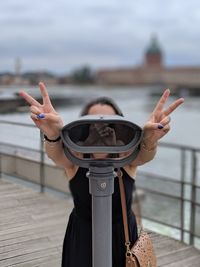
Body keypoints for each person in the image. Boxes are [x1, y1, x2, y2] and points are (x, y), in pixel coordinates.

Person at [19, 82, 184, 267]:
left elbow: (145, 154)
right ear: (84, 125)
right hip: (83, 236)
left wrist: (149, 139)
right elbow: (56, 154)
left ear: (120, 126)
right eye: (94, 122)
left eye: (109, 123)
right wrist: (52, 134)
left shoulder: (127, 157)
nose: (101, 128)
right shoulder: (75, 158)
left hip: (121, 236)